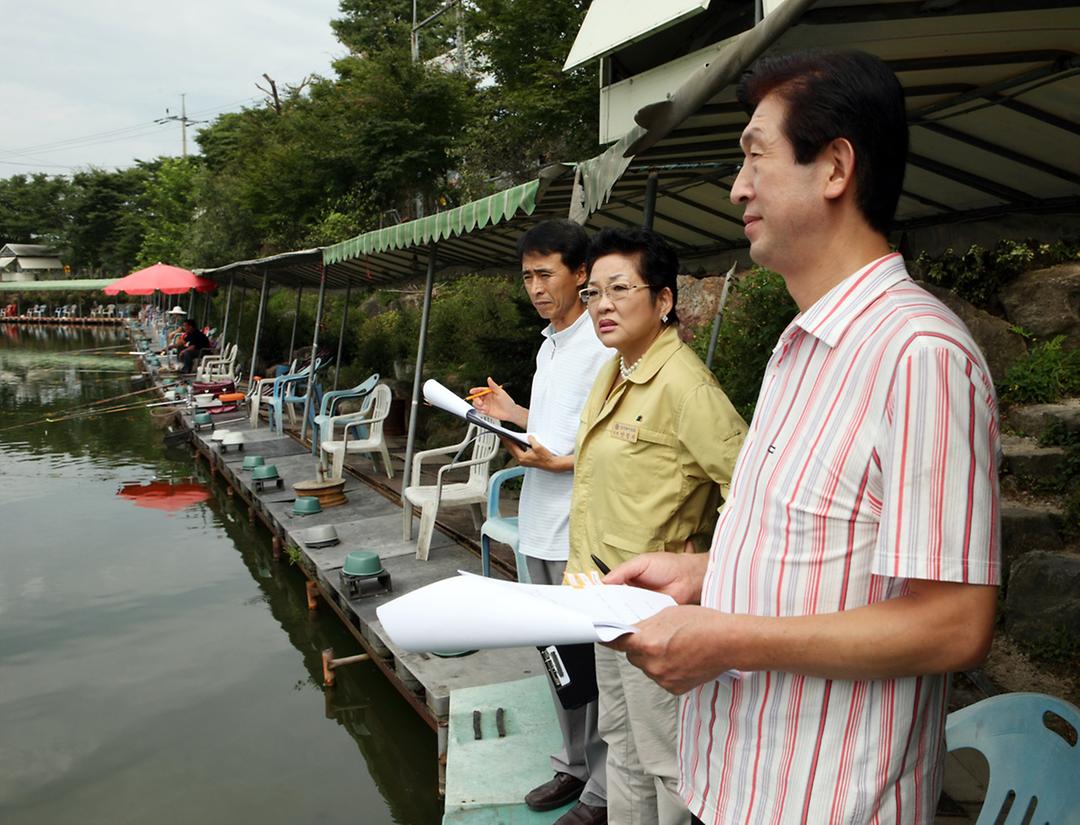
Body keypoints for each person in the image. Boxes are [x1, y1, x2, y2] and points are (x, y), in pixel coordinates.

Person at [605, 50, 1001, 825]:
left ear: (835, 168)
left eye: (755, 155)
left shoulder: (920, 354)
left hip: (827, 803)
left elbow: (953, 622)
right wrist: (700, 572)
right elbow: (825, 550)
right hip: (738, 785)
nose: (737, 186)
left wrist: (727, 637)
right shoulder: (799, 346)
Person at [566, 227, 746, 825]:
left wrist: (706, 566)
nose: (602, 305)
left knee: (668, 756)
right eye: (593, 292)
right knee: (621, 740)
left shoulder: (687, 387)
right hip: (602, 595)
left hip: (654, 609)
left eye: (621, 289)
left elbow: (747, 488)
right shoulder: (615, 371)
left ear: (663, 301)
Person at [470, 219, 613, 825]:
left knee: (597, 661)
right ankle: (573, 765)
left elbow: (611, 440)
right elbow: (552, 428)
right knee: (557, 657)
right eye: (527, 275)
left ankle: (605, 790)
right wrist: (510, 413)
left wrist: (560, 460)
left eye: (545, 273)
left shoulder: (604, 344)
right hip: (538, 522)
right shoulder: (548, 345)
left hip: (583, 528)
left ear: (581, 274)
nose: (534, 287)